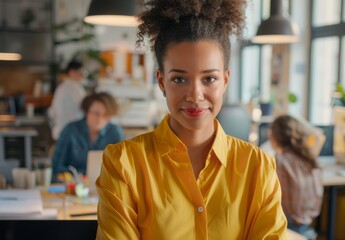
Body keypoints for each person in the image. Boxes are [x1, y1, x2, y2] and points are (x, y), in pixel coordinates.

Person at [96, 0, 287, 239]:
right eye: (179, 79)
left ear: (225, 80)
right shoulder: (124, 164)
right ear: (161, 81)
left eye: (209, 79)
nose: (195, 95)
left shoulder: (258, 168)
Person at [269, 115, 324, 239]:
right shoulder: (309, 157)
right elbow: (317, 134)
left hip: (290, 224)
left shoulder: (281, 160)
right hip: (307, 222)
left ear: (274, 136)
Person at [52, 92, 124, 182]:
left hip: (104, 186)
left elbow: (120, 168)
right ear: (87, 111)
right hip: (72, 185)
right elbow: (56, 167)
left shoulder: (115, 132)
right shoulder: (70, 131)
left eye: (105, 115)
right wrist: (80, 177)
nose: (100, 118)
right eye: (96, 113)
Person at [48, 60, 87, 141]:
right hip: (72, 134)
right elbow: (85, 108)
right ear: (72, 72)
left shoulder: (61, 88)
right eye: (81, 72)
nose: (83, 76)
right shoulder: (75, 89)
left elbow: (51, 112)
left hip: (60, 132)